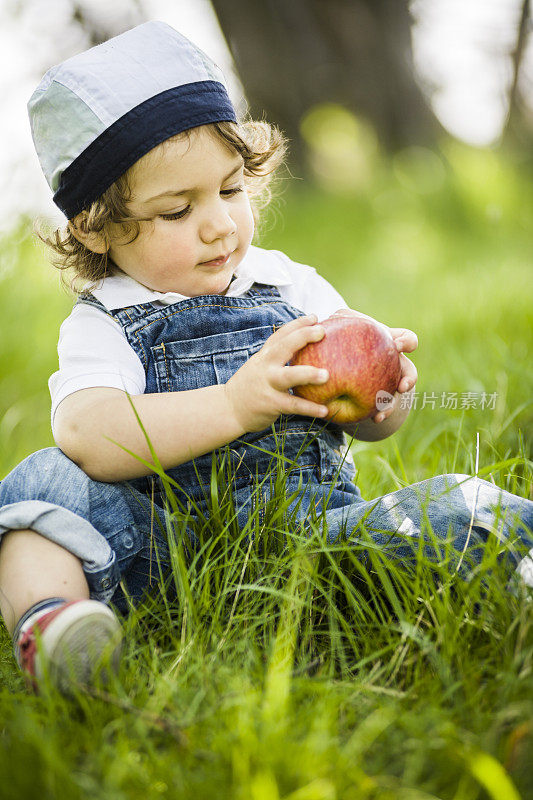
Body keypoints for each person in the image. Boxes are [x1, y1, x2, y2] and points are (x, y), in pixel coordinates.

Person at [0, 21, 531, 693]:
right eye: (175, 210)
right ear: (97, 227)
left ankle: (512, 570)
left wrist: (384, 400)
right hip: (170, 566)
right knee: (42, 487)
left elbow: (361, 421)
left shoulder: (292, 287)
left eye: (228, 190)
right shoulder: (105, 320)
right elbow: (89, 435)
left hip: (320, 545)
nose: (220, 223)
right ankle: (57, 627)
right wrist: (230, 405)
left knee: (454, 505)